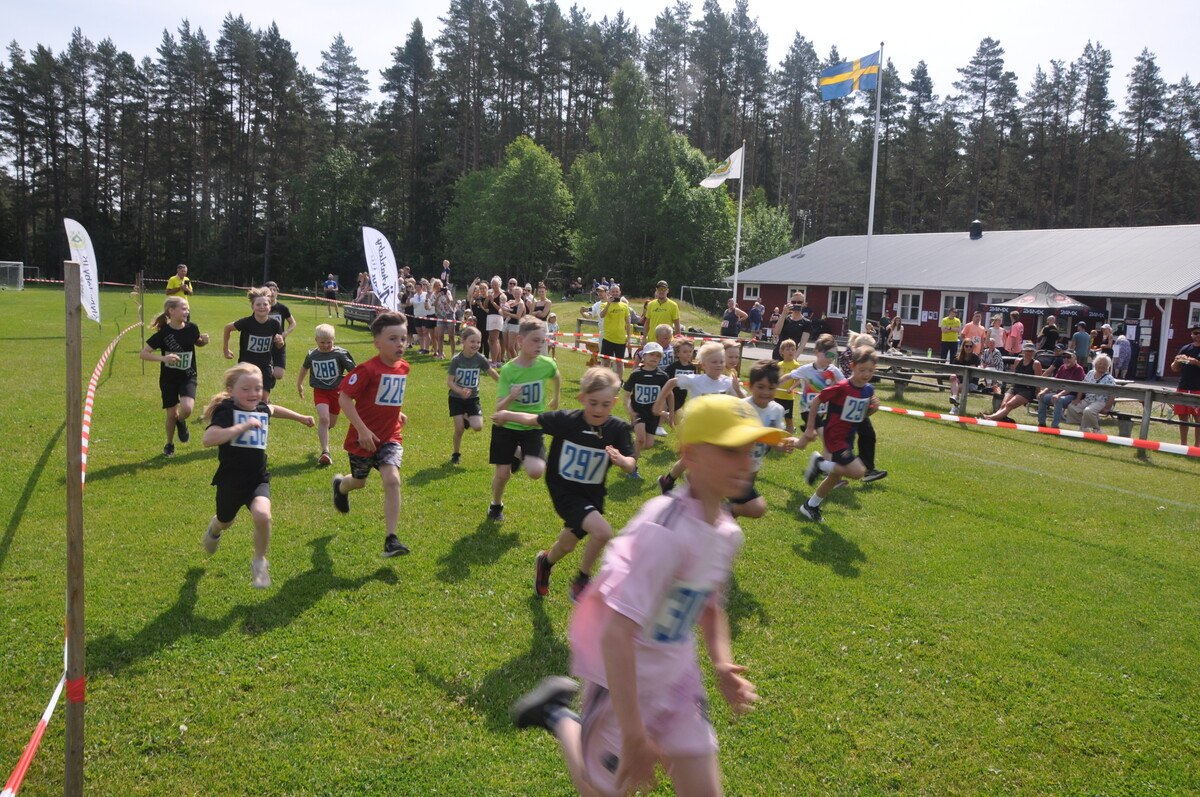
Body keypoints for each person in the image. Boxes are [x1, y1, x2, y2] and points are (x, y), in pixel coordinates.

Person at [510, 393, 781, 797]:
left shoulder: (727, 532)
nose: (746, 463)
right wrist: (634, 734)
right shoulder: (663, 532)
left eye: (751, 450)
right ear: (690, 455)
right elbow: (616, 635)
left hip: (678, 682)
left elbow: (709, 603)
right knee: (599, 790)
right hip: (623, 686)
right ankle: (557, 715)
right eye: (730, 450)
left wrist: (722, 663)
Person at [494, 368, 636, 602]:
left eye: (605, 404)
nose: (599, 409)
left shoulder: (618, 428)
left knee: (567, 545)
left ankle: (545, 562)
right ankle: (582, 580)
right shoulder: (567, 420)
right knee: (602, 532)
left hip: (592, 494)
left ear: (614, 402)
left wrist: (622, 461)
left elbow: (631, 464)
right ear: (582, 399)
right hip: (565, 491)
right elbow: (533, 420)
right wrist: (506, 414)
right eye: (593, 403)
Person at [201, 363, 314, 588]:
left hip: (257, 478)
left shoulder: (260, 409)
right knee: (225, 521)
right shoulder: (227, 411)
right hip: (231, 481)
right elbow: (208, 439)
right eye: (246, 389)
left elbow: (274, 409)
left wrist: (300, 417)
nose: (253, 393)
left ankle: (260, 562)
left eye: (258, 388)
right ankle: (214, 529)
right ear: (231, 390)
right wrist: (242, 427)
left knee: (263, 516)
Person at [331, 311, 413, 558]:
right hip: (363, 439)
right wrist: (363, 429)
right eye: (393, 339)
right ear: (377, 343)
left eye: (403, 338)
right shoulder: (366, 369)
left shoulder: (404, 367)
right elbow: (344, 398)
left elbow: (386, 396)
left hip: (390, 437)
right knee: (359, 482)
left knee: (392, 480)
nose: (400, 344)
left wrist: (397, 413)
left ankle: (391, 540)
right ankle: (341, 486)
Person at [487, 317, 561, 522]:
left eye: (542, 341)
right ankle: (495, 505)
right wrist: (511, 397)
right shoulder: (509, 370)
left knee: (536, 472)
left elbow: (556, 375)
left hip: (532, 426)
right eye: (535, 340)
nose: (539, 345)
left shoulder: (546, 364)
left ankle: (519, 452)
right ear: (520, 340)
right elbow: (499, 409)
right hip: (506, 427)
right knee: (503, 474)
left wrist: (556, 397)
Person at [798, 346, 880, 522]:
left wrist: (873, 410)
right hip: (835, 436)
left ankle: (810, 506)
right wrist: (810, 427)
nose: (866, 374)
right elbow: (817, 400)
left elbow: (859, 416)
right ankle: (820, 464)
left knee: (835, 477)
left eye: (870, 371)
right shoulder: (842, 387)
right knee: (858, 472)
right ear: (852, 366)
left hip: (849, 437)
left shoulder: (868, 390)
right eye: (862, 370)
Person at [653, 341, 745, 493]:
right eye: (714, 362)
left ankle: (667, 480)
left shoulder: (728, 382)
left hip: (715, 430)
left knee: (687, 460)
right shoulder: (695, 380)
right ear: (703, 364)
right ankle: (695, 486)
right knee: (703, 459)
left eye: (721, 361)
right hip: (694, 428)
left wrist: (738, 390)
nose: (718, 365)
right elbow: (671, 382)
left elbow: (747, 403)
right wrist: (658, 404)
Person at [140, 296, 209, 457]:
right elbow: (143, 354)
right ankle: (169, 444)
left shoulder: (192, 328)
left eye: (187, 309)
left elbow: (197, 341)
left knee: (187, 409)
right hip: (169, 379)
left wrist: (203, 341)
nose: (187, 311)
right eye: (183, 308)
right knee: (171, 415)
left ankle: (181, 421)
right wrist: (163, 358)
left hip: (188, 376)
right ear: (171, 311)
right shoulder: (163, 334)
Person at [732, 360, 800, 519]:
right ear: (751, 387)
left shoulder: (777, 410)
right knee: (751, 507)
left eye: (771, 388)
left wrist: (782, 446)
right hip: (733, 467)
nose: (766, 392)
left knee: (740, 507)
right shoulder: (741, 407)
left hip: (753, 466)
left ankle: (721, 522)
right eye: (761, 387)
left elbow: (775, 440)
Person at [296, 324, 356, 466]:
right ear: (316, 340)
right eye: (322, 342)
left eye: (329, 342)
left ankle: (324, 431)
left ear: (334, 339)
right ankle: (325, 452)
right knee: (324, 418)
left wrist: (356, 388)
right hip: (320, 391)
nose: (325, 345)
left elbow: (354, 372)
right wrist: (299, 383)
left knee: (331, 423)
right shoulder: (312, 355)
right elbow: (305, 367)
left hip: (337, 392)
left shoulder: (340, 354)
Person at [447, 325, 500, 465]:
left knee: (478, 427)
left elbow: (491, 372)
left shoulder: (480, 358)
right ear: (463, 341)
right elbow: (450, 382)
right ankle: (456, 454)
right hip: (456, 398)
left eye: (478, 342)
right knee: (459, 429)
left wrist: (503, 384)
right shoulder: (456, 360)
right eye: (472, 341)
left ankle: (466, 416)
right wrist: (460, 391)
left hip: (473, 399)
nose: (476, 345)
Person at [222, 287, 283, 400]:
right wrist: (226, 349)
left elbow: (279, 345)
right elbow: (228, 328)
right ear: (252, 307)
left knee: (264, 398)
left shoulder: (274, 324)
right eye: (258, 304)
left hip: (265, 365)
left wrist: (280, 342)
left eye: (265, 304)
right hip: (246, 365)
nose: (262, 307)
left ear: (270, 306)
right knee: (243, 396)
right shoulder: (246, 322)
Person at [623, 342, 669, 478]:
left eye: (657, 356)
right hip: (638, 411)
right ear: (643, 356)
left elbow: (666, 396)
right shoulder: (636, 374)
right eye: (651, 354)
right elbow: (626, 395)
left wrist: (664, 412)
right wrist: (630, 410)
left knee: (648, 445)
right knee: (640, 439)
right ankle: (632, 468)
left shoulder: (662, 376)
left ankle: (629, 450)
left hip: (652, 414)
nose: (654, 357)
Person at [980, 342, 1043, 421]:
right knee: (1003, 405)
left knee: (1009, 404)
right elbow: (1014, 376)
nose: (1029, 353)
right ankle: (995, 418)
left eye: (1031, 351)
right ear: (1023, 351)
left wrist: (1038, 393)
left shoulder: (1036, 364)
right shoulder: (1017, 361)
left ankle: (990, 418)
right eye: (1027, 351)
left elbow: (1038, 381)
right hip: (1015, 387)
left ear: (1033, 352)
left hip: (1027, 390)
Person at [1064, 354, 1116, 433]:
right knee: (1072, 407)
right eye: (1100, 363)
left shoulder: (1109, 379)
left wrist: (1107, 407)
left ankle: (1096, 429)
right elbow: (1083, 386)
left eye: (1105, 364)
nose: (1102, 366)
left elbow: (1113, 394)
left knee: (1088, 411)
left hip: (1101, 401)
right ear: (1095, 364)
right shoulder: (1090, 373)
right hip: (1088, 399)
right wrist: (1078, 399)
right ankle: (1083, 427)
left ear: (1108, 366)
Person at [1034, 349, 1085, 428]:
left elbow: (1072, 387)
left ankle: (1055, 426)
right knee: (1042, 397)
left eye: (1068, 357)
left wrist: (1059, 395)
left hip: (1072, 396)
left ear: (1075, 358)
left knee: (1058, 400)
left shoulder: (1079, 369)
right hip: (1059, 394)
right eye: (1064, 357)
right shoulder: (1062, 367)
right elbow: (1055, 382)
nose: (1066, 359)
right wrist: (1043, 391)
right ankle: (1041, 423)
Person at [1169, 325, 1200, 446]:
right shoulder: (1186, 348)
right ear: (1191, 335)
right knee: (1182, 417)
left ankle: (1197, 446)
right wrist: (1177, 361)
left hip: (1198, 388)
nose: (1198, 335)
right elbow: (1174, 368)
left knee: (1198, 418)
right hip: (1183, 386)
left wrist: (1196, 362)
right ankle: (1183, 444)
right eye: (1195, 333)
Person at [263, 281, 297, 381]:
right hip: (265, 343)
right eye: (270, 290)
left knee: (278, 375)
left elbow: (293, 323)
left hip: (279, 343)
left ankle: (270, 375)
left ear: (277, 292)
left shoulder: (282, 308)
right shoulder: (262, 307)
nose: (272, 292)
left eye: (274, 290)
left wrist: (284, 334)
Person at [598, 283, 631, 378]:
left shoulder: (624, 306)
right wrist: (608, 304)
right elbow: (602, 315)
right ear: (609, 292)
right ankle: (605, 381)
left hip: (620, 340)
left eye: (617, 291)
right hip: (608, 338)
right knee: (606, 362)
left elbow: (628, 323)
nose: (615, 293)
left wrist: (629, 338)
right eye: (613, 291)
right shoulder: (604, 304)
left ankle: (618, 382)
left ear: (619, 292)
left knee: (619, 363)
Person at [773, 338, 802, 433]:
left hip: (787, 398)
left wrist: (791, 388)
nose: (791, 351)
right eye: (788, 349)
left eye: (793, 349)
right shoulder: (779, 364)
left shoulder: (796, 365)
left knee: (788, 418)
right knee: (774, 417)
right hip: (776, 396)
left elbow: (798, 381)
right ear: (782, 352)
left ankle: (790, 436)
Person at [772, 292, 812, 358]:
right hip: (778, 353)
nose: (796, 304)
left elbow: (802, 344)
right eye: (793, 302)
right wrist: (784, 313)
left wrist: (794, 359)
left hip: (791, 355)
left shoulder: (806, 322)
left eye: (799, 302)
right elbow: (776, 332)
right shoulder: (785, 318)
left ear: (803, 304)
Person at [948, 340, 981, 411]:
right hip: (960, 381)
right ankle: (955, 398)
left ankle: (955, 405)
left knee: (955, 387)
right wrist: (953, 375)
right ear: (963, 347)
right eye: (966, 346)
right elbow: (954, 370)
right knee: (954, 380)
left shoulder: (975, 357)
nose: (969, 348)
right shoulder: (957, 357)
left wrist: (958, 376)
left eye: (970, 346)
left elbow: (970, 372)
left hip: (971, 383)